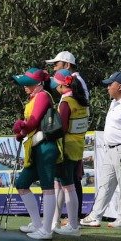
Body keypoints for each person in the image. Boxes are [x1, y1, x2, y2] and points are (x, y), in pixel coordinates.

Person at [83, 71, 121, 229]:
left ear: (119, 86)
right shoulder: (114, 103)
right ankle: (95, 216)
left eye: (110, 84)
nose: (107, 87)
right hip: (111, 149)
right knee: (106, 184)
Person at [8, 67, 59, 240]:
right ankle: (37, 225)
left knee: (47, 187)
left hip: (46, 147)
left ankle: (46, 230)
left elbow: (34, 121)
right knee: (22, 184)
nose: (25, 86)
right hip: (36, 147)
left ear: (38, 83)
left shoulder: (43, 95)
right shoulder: (34, 97)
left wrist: (21, 126)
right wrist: (21, 132)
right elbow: (31, 125)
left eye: (28, 83)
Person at [46, 51, 89, 223]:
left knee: (68, 185)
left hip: (66, 148)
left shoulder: (67, 101)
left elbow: (61, 127)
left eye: (56, 64)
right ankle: (63, 220)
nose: (54, 67)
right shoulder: (79, 99)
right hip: (76, 145)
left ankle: (72, 222)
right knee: (67, 184)